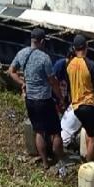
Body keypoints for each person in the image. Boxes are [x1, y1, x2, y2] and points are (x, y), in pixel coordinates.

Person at [9, 28, 64, 168]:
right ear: (43, 41)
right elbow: (52, 82)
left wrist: (23, 83)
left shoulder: (22, 53)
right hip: (44, 101)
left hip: (30, 101)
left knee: (39, 131)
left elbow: (11, 71)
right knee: (56, 132)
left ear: (31, 39)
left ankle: (45, 162)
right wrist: (61, 97)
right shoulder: (44, 58)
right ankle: (60, 161)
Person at [54, 34, 94, 162]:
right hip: (89, 104)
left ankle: (85, 157)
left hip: (76, 106)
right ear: (86, 47)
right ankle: (89, 165)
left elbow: (69, 85)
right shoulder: (91, 65)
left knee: (87, 130)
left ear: (74, 48)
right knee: (93, 137)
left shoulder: (69, 65)